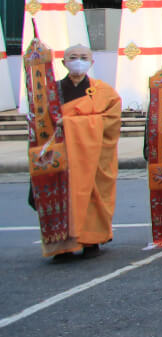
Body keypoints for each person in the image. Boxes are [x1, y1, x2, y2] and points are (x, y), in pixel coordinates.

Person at [41, 45, 121, 260]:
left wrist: (70, 123)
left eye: (83, 57)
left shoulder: (104, 91)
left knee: (92, 196)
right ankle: (63, 246)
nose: (78, 61)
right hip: (63, 155)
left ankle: (91, 240)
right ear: (63, 62)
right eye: (73, 57)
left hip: (93, 155)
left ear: (91, 62)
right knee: (62, 196)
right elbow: (43, 124)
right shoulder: (52, 91)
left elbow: (112, 121)